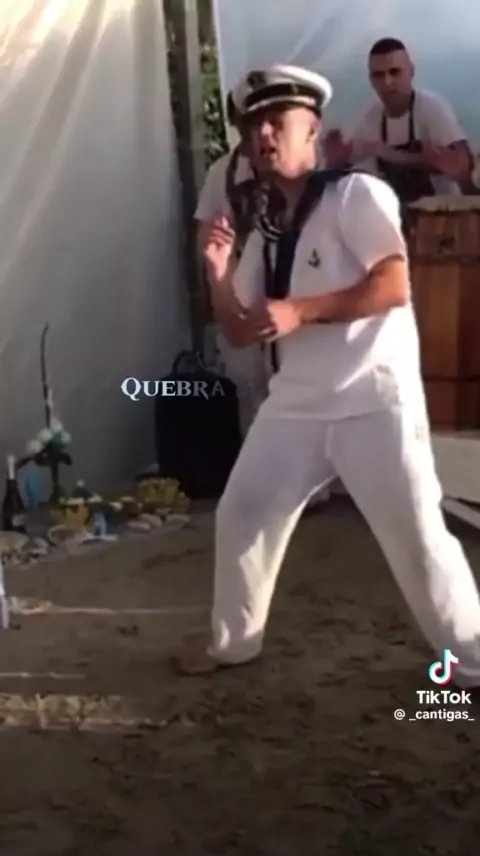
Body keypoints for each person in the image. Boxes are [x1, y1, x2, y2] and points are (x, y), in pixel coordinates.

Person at [173, 63, 480, 693]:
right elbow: (240, 330)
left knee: (418, 539)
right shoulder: (266, 230)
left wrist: (301, 311)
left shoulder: (355, 195)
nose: (262, 135)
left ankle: (472, 660)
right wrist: (218, 272)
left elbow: (392, 284)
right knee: (242, 513)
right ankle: (234, 642)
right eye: (253, 126)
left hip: (375, 399)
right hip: (296, 407)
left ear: (311, 130)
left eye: (275, 122)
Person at [195, 91, 269, 436]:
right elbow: (203, 233)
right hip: (238, 296)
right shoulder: (223, 172)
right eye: (245, 123)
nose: (256, 133)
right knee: (246, 391)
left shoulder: (297, 166)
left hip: (288, 296)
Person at [324, 38, 473, 205]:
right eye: (379, 75)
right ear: (371, 80)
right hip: (392, 215)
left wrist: (392, 155)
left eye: (395, 72)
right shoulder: (369, 117)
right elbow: (352, 174)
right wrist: (336, 164)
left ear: (411, 72)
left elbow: (462, 164)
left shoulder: (431, 108)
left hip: (439, 213)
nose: (387, 82)